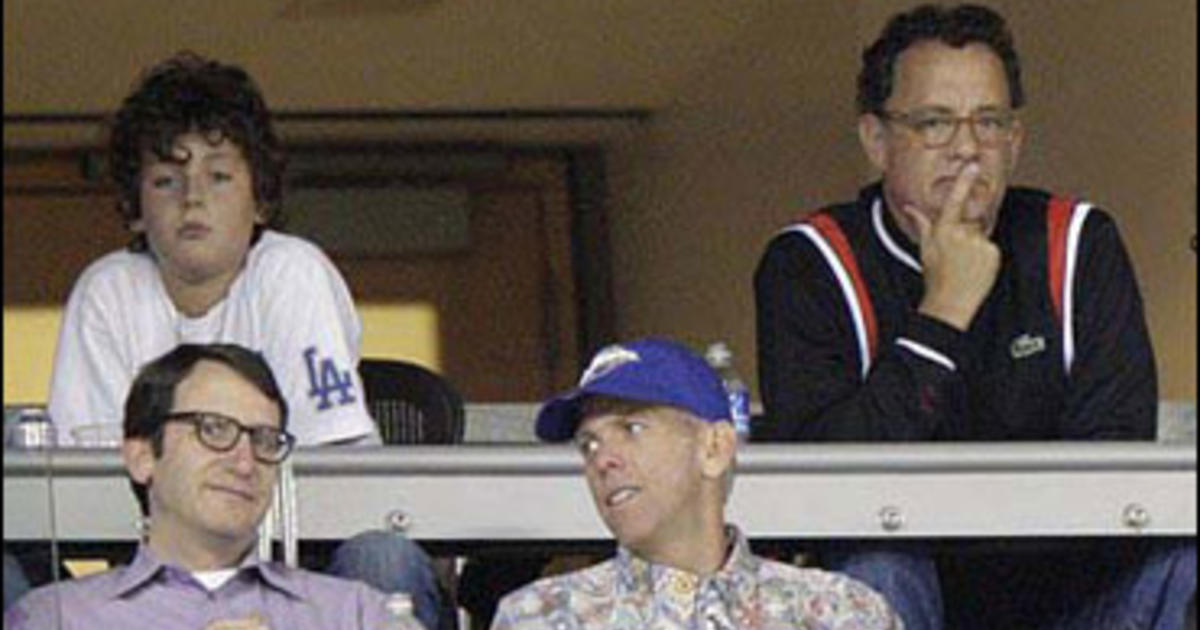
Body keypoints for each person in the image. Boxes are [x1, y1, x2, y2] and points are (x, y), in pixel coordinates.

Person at [754, 4, 1194, 629]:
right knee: (876, 567)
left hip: (1071, 598)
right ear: (876, 140)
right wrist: (945, 311)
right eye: (934, 123)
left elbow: (1112, 464)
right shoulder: (811, 262)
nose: (967, 149)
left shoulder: (1075, 242)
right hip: (901, 585)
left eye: (989, 122)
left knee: (1185, 559)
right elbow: (826, 482)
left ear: (1015, 140)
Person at [29, 51, 443, 628]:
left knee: (382, 558)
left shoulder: (291, 271)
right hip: (151, 560)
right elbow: (88, 477)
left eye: (218, 176)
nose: (192, 198)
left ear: (261, 199)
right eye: (166, 180)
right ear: (135, 208)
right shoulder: (107, 290)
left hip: (312, 560)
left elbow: (332, 470)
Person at [5, 343, 425, 629]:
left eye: (263, 439)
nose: (244, 462)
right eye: (214, 429)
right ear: (142, 456)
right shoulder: (57, 618)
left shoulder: (355, 614)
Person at [491, 337, 902, 629]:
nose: (603, 458)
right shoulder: (541, 616)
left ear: (715, 448)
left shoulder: (840, 613)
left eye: (631, 427)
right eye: (588, 444)